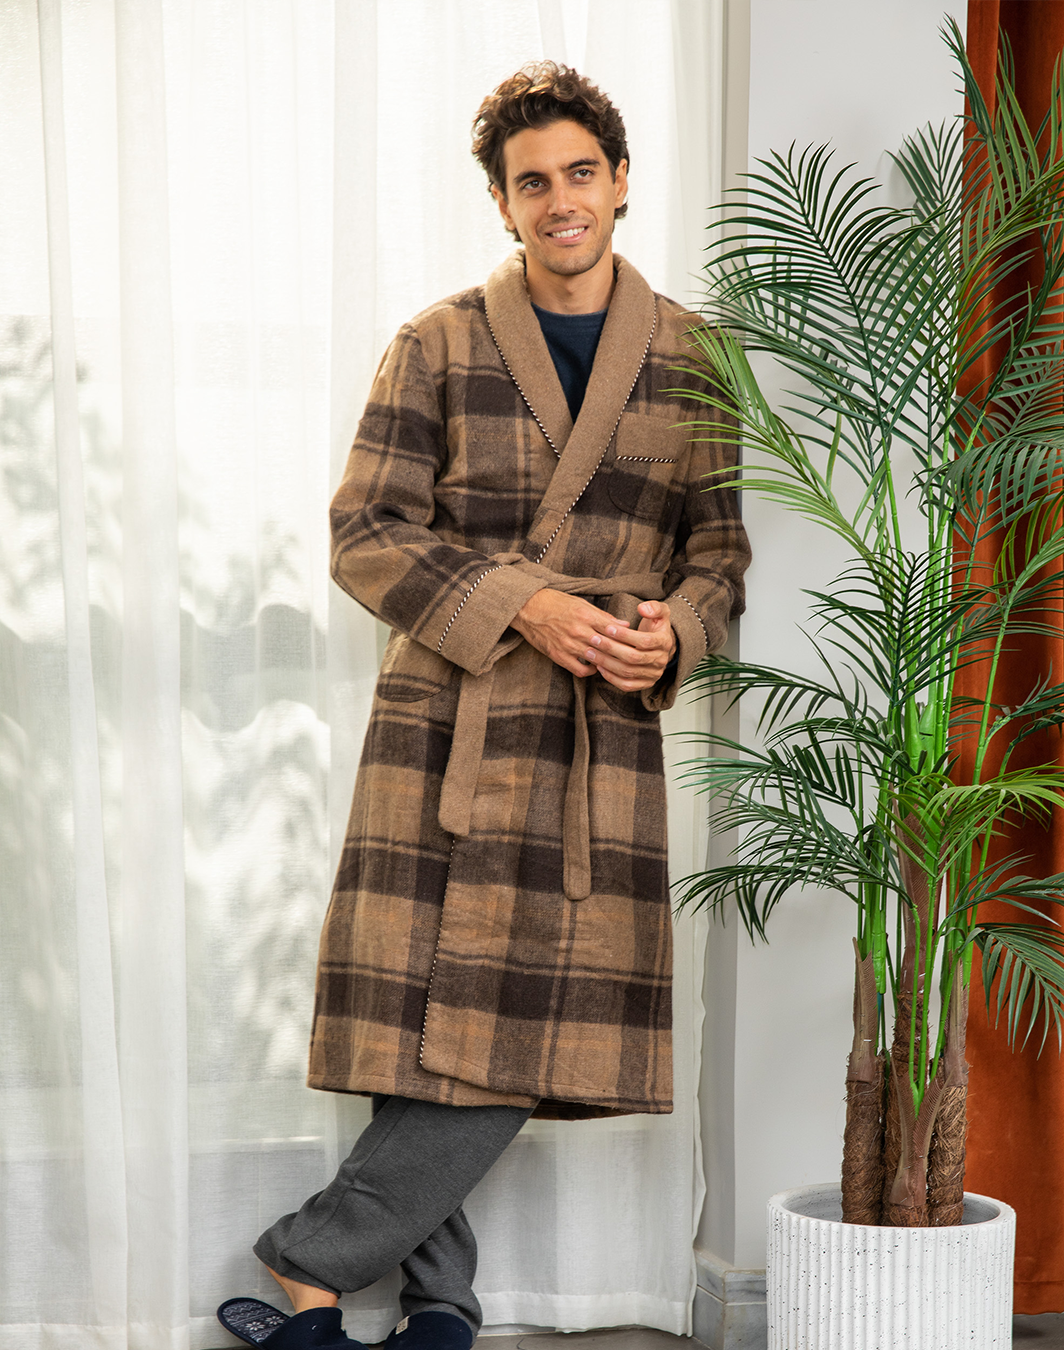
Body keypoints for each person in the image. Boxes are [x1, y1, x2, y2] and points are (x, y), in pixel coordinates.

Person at [217, 61, 750, 1350]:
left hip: (596, 737)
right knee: (430, 1021)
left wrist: (673, 632)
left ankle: (312, 1264)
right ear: (504, 206)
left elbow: (720, 556)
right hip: (446, 721)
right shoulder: (438, 343)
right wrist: (527, 603)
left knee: (515, 1028)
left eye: (581, 173)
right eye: (532, 182)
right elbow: (362, 534)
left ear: (620, 183)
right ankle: (438, 1308)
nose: (560, 200)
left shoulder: (694, 358)